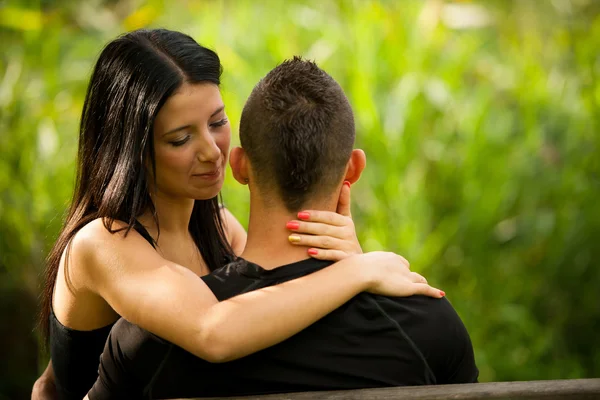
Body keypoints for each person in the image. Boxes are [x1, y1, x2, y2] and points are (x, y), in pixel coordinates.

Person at [32, 29, 443, 400]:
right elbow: (214, 332)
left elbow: (274, 302)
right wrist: (359, 272)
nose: (213, 152)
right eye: (180, 139)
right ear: (130, 150)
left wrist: (343, 256)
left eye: (217, 122)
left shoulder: (218, 227)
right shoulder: (103, 244)